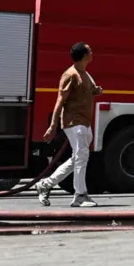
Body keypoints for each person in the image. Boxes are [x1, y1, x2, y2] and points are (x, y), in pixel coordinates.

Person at [36, 42, 103, 207]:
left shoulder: (85, 74)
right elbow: (60, 101)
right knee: (81, 158)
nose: (92, 51)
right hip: (73, 123)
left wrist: (96, 91)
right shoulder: (70, 75)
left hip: (85, 122)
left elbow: (88, 91)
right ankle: (80, 196)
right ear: (83, 55)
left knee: (77, 159)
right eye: (89, 50)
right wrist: (52, 126)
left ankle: (45, 185)